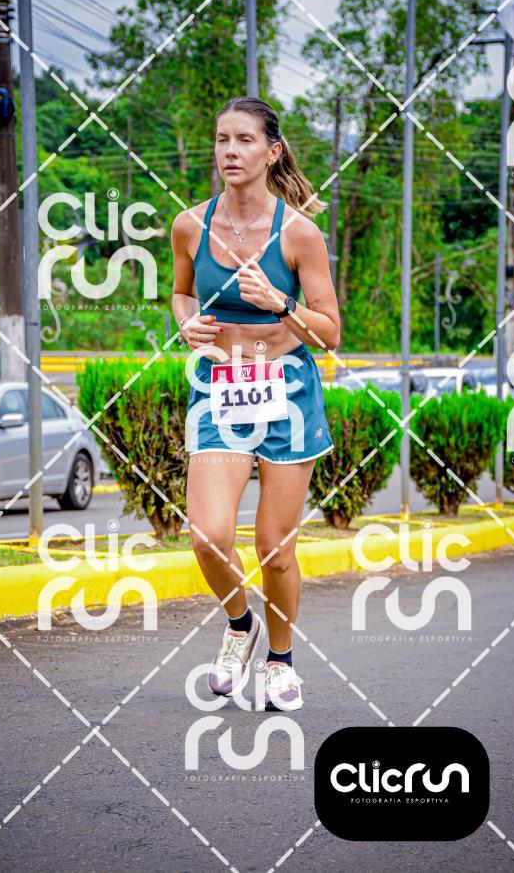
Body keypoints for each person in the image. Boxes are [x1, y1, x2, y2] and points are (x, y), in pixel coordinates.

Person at [171, 96, 339, 711]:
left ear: (272, 153)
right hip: (220, 388)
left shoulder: (299, 234)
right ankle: (240, 626)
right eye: (222, 140)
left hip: (287, 393)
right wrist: (186, 325)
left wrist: (280, 302)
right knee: (208, 536)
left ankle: (281, 659)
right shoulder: (189, 225)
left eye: (244, 140)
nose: (230, 151)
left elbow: (329, 332)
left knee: (274, 548)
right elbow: (181, 294)